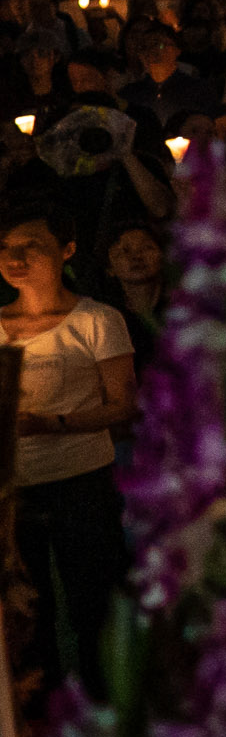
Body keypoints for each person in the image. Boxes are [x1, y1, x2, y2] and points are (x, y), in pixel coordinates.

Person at [0, 205, 136, 687]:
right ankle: (43, 716)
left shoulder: (96, 320)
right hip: (15, 490)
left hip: (82, 479)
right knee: (26, 607)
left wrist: (54, 422)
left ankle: (107, 704)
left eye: (30, 245)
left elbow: (122, 406)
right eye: (6, 248)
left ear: (67, 250)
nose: (15, 257)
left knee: (93, 600)